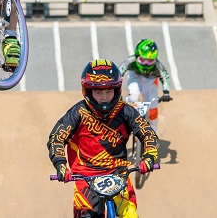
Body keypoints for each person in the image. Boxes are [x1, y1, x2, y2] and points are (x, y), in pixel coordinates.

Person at [47, 59, 159, 218]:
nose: (104, 97)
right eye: (98, 92)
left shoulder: (125, 111)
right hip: (85, 177)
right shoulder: (78, 112)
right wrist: (60, 164)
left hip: (118, 174)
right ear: (88, 91)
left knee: (131, 215)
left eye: (109, 91)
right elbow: (57, 137)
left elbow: (148, 133)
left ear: (117, 90)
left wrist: (149, 157)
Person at [119, 39, 172, 133]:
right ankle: (129, 120)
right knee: (133, 96)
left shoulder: (157, 65)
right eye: (143, 60)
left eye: (150, 60)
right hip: (135, 75)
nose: (146, 64)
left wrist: (166, 92)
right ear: (137, 56)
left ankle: (153, 137)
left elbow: (165, 77)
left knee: (153, 107)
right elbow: (119, 73)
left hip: (151, 80)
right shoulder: (130, 61)